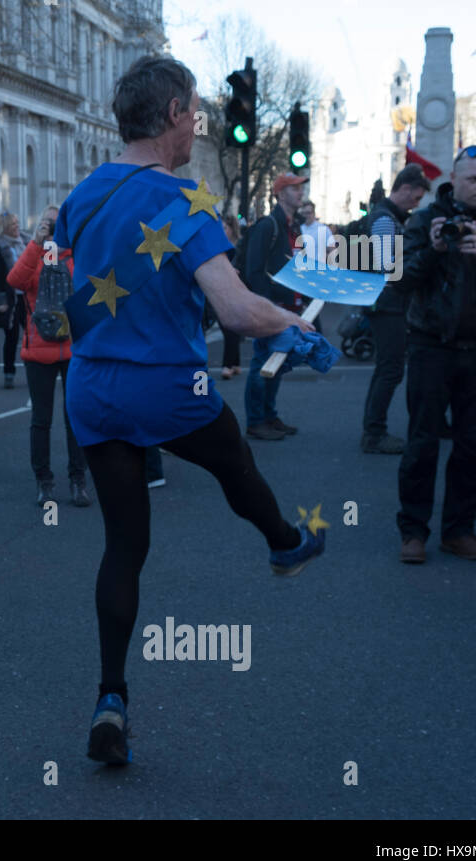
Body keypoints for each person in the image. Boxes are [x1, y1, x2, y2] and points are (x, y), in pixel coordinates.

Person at [56, 54, 324, 766]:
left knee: (124, 545)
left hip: (91, 389)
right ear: (175, 113)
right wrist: (296, 328)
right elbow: (235, 308)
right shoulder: (188, 200)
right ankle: (283, 542)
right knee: (235, 460)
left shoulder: (80, 196)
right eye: (195, 110)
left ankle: (110, 698)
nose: (198, 121)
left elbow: (62, 301)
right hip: (170, 386)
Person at [396, 144, 476, 564]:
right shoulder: (424, 220)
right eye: (474, 178)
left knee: (472, 445)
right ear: (454, 181)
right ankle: (413, 531)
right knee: (422, 443)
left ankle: (459, 530)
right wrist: (434, 250)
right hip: (430, 346)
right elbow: (399, 280)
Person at [6, 205, 90, 507]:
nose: (52, 228)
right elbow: (16, 281)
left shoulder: (76, 257)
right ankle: (44, 481)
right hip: (38, 351)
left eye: (57, 224)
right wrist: (37, 242)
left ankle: (78, 480)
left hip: (73, 350)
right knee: (41, 420)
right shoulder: (36, 256)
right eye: (47, 223)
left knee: (75, 419)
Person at [358, 165, 433, 454]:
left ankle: (373, 430)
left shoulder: (387, 217)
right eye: (416, 198)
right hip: (387, 304)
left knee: (386, 369)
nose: (416, 204)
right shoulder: (386, 221)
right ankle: (374, 434)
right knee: (390, 370)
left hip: (385, 303)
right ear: (404, 189)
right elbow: (386, 264)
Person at [241, 173, 308, 441]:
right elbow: (254, 270)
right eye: (294, 189)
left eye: (301, 188)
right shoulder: (268, 225)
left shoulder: (294, 228)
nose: (300, 193)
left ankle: (269, 415)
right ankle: (256, 421)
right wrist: (267, 306)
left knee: (277, 364)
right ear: (280, 194)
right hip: (272, 308)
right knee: (262, 364)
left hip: (288, 308)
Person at [0, 212, 31, 389]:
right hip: (11, 297)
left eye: (17, 223)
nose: (17, 226)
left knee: (32, 335)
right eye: (13, 224)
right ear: (5, 227)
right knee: (12, 337)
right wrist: (0, 300)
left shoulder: (27, 241)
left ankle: (34, 370)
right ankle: (9, 372)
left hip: (28, 296)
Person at [217, 213, 242, 380]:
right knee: (229, 329)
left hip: (238, 292)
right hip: (221, 292)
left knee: (232, 328)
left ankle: (231, 364)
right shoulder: (218, 246)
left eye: (224, 228)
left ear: (232, 229)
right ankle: (231, 364)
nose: (221, 230)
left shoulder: (239, 247)